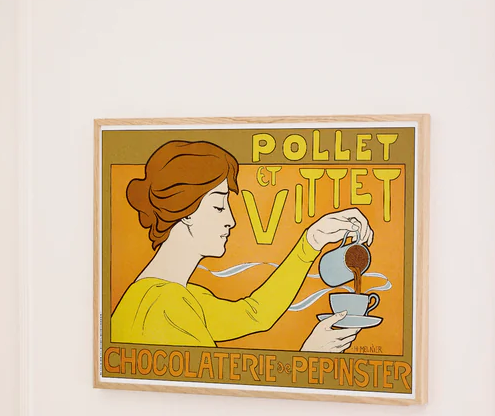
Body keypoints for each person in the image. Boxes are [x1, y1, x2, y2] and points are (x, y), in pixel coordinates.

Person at [109, 140, 374, 351]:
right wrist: (309, 356)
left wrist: (312, 239)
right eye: (218, 205)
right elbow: (211, 399)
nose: (231, 220)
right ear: (186, 211)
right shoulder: (165, 304)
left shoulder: (177, 295)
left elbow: (255, 314)